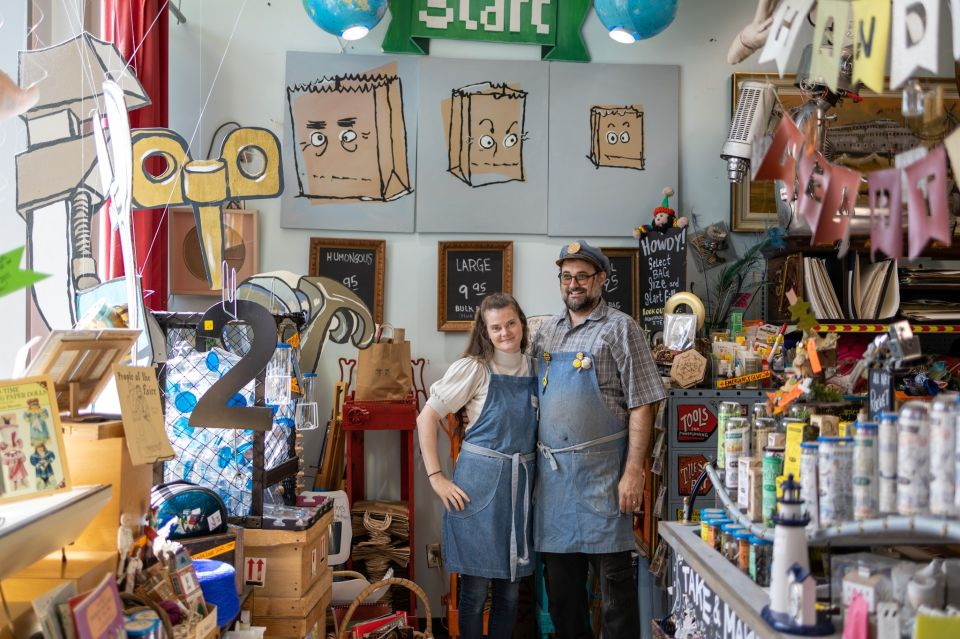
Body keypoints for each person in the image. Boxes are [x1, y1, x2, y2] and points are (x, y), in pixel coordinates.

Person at [530, 240, 666, 638]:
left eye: (582, 276)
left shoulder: (622, 329)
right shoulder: (546, 333)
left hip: (605, 480)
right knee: (562, 598)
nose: (573, 284)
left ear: (602, 279)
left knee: (615, 598)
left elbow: (642, 404)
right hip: (554, 484)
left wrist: (634, 472)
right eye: (566, 277)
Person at [417, 292, 537, 639]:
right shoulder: (475, 368)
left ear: (521, 324)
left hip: (518, 490)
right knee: (474, 592)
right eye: (496, 327)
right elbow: (426, 418)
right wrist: (437, 478)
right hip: (476, 491)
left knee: (510, 594)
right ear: (485, 331)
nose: (505, 332)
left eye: (511, 323)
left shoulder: (535, 367)